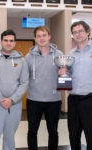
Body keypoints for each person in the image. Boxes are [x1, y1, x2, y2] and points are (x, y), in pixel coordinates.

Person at [0, 29, 29, 150]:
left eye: (11, 41)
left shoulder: (22, 61)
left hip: (14, 106)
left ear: (14, 43)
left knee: (10, 137)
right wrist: (1, 99)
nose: (8, 43)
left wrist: (12, 100)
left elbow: (24, 83)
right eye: (6, 40)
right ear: (1, 41)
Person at [25, 26, 63, 150]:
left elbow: (65, 77)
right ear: (35, 38)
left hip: (54, 100)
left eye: (44, 35)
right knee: (32, 131)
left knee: (53, 131)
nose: (42, 38)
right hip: (33, 100)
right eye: (39, 36)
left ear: (49, 36)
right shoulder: (29, 57)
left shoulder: (59, 55)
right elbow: (23, 77)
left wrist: (63, 73)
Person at [62, 21, 92, 150]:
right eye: (75, 32)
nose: (77, 34)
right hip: (73, 100)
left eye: (80, 31)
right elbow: (67, 78)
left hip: (90, 100)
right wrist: (63, 74)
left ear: (87, 32)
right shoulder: (70, 54)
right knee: (73, 136)